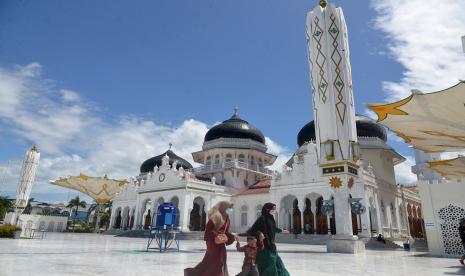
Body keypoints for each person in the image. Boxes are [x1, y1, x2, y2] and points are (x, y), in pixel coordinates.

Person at [185, 201, 237, 276]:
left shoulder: (227, 219)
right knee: (215, 261)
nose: (230, 210)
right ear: (224, 207)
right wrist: (216, 236)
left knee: (217, 260)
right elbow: (209, 229)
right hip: (212, 242)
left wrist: (232, 237)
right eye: (229, 208)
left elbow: (225, 232)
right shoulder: (216, 216)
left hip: (220, 242)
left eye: (231, 208)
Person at [247, 203, 290, 276]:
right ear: (267, 209)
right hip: (264, 246)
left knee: (278, 263)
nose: (274, 210)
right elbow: (253, 230)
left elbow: (273, 228)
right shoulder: (262, 218)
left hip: (271, 245)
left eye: (274, 209)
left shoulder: (271, 219)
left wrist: (282, 230)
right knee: (270, 264)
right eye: (273, 209)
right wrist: (260, 233)